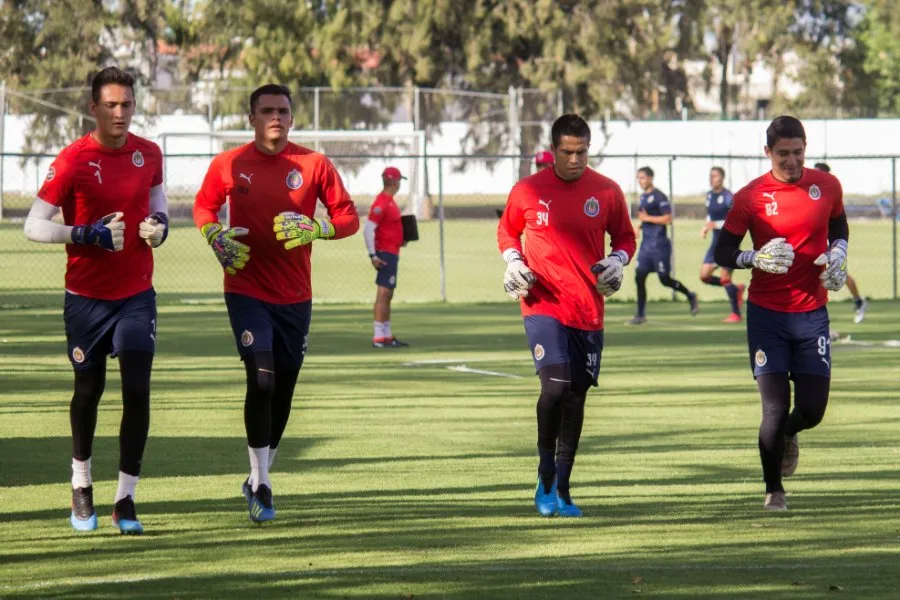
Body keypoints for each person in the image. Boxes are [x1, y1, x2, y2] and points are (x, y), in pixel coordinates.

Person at [193, 84, 359, 523]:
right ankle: (262, 482)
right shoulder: (229, 163)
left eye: (283, 111)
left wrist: (316, 229)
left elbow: (348, 217)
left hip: (295, 297)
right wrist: (215, 236)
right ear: (251, 118)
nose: (276, 118)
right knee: (262, 380)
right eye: (266, 111)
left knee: (283, 388)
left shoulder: (313, 164)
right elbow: (203, 207)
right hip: (245, 288)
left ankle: (258, 477)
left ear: (292, 117)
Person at [23, 67, 168, 534]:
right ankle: (81, 481)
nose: (120, 112)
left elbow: (159, 205)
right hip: (86, 298)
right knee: (89, 391)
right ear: (93, 108)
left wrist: (159, 228)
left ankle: (125, 499)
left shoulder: (150, 154)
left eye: (126, 104)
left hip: (136, 296)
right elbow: (33, 225)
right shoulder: (71, 161)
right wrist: (84, 234)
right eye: (111, 105)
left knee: (138, 390)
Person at [497, 114, 636, 518]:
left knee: (575, 397)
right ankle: (545, 474)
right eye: (567, 152)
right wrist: (512, 259)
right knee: (555, 387)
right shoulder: (527, 190)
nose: (575, 159)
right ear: (553, 150)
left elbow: (625, 235)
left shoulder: (607, 192)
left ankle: (564, 487)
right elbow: (507, 231)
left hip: (588, 308)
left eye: (582, 152)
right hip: (542, 302)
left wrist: (617, 259)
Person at [715, 116, 849, 511]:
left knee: (812, 409)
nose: (792, 161)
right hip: (767, 315)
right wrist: (752, 256)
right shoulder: (750, 196)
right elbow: (722, 251)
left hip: (812, 314)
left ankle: (792, 432)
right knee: (773, 407)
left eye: (798, 152)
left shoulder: (826, 186)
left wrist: (839, 250)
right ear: (768, 153)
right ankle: (774, 489)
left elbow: (839, 224)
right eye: (783, 154)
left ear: (806, 149)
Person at [628, 167, 699, 324]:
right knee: (639, 277)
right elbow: (644, 217)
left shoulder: (659, 197)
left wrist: (646, 219)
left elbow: (668, 218)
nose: (641, 181)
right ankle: (640, 315)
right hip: (646, 246)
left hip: (659, 245)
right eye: (638, 178)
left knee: (664, 279)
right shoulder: (643, 197)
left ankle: (690, 295)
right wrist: (639, 226)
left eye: (643, 178)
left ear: (651, 178)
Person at [814, 162, 867, 323]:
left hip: (831, 238)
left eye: (818, 173)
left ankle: (858, 300)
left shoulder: (831, 191)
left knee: (838, 273)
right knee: (814, 275)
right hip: (816, 238)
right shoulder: (812, 191)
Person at [363, 167, 409, 348]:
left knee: (388, 293)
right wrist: (373, 255)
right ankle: (379, 336)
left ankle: (386, 334)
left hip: (392, 251)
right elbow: (368, 229)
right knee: (383, 293)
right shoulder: (382, 203)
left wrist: (401, 239)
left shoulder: (389, 202)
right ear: (395, 182)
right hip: (385, 253)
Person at [700, 167, 745, 322]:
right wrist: (707, 226)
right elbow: (710, 215)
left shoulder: (728, 197)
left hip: (729, 243)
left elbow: (735, 220)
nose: (712, 179)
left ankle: (736, 314)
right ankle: (736, 289)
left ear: (722, 178)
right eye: (710, 176)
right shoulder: (709, 195)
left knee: (725, 278)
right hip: (715, 244)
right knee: (704, 276)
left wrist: (715, 224)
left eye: (715, 176)